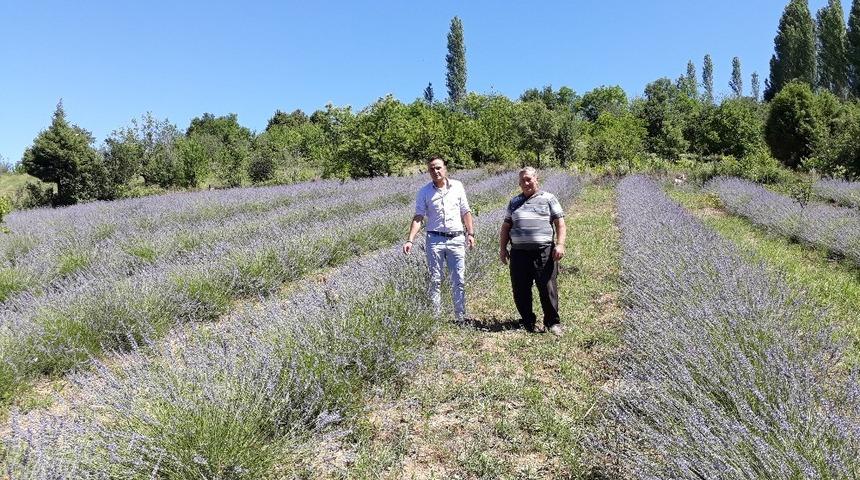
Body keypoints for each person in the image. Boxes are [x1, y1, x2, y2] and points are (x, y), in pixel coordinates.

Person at [403, 156, 475, 323]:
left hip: (456, 238)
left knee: (458, 279)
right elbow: (419, 217)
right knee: (435, 280)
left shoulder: (458, 186)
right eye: (431, 169)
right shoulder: (424, 192)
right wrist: (410, 240)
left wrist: (470, 233)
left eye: (438, 168)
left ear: (445, 168)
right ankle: (435, 319)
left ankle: (460, 317)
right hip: (434, 240)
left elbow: (465, 211)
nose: (435, 171)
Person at [498, 167, 567, 336]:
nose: (526, 183)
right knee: (520, 289)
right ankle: (527, 321)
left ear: (537, 179)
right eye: (522, 181)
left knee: (547, 288)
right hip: (518, 253)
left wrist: (560, 244)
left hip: (543, 251)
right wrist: (502, 248)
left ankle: (552, 323)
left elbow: (560, 223)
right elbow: (506, 227)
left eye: (529, 179)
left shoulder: (549, 198)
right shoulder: (514, 202)